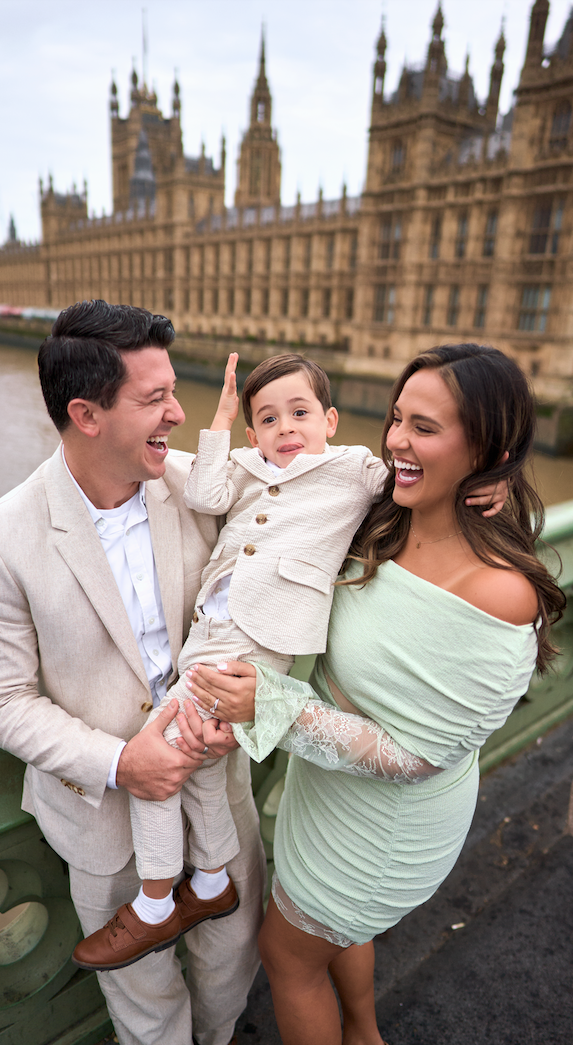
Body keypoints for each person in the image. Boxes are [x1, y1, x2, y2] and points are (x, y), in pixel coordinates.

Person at [75, 351, 509, 972]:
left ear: (331, 420)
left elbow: (421, 480)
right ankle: (209, 885)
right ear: (254, 433)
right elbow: (204, 490)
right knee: (193, 762)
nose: (287, 431)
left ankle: (153, 901)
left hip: (256, 640)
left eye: (300, 414)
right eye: (269, 420)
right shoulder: (250, 463)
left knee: (156, 759)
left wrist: (493, 480)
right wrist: (220, 420)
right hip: (210, 629)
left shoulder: (355, 470)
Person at [187, 343, 565, 1045]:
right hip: (324, 789)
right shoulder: (387, 511)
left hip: (381, 826)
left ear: (487, 444)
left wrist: (269, 704)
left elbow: (416, 754)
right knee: (329, 935)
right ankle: (364, 1032)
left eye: (423, 427)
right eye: (396, 419)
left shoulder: (497, 592)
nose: (394, 440)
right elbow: (275, 490)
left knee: (287, 955)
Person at [0, 300, 265, 1045]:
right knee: (146, 1006)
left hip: (219, 791)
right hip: (103, 822)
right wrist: (124, 763)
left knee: (230, 969)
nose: (178, 413)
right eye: (154, 399)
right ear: (86, 414)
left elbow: (318, 511)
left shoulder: (205, 485)